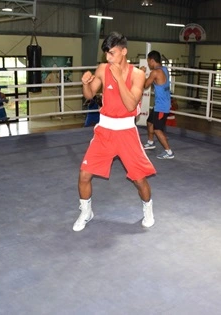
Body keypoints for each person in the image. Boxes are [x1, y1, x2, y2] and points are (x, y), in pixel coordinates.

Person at [73, 31, 156, 232]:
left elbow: (130, 105)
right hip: (104, 131)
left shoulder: (137, 74)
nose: (109, 58)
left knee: (139, 179)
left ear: (124, 51)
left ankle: (148, 209)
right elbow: (89, 95)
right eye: (107, 54)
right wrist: (85, 83)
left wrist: (119, 78)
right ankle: (86, 212)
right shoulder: (102, 69)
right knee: (84, 175)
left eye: (112, 53)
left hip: (126, 132)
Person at [140, 50, 174, 159]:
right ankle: (150, 142)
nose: (149, 64)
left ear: (152, 60)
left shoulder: (155, 72)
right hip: (160, 104)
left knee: (157, 129)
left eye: (149, 62)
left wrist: (141, 73)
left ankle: (169, 152)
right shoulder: (164, 70)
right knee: (149, 122)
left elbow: (145, 85)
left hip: (162, 106)